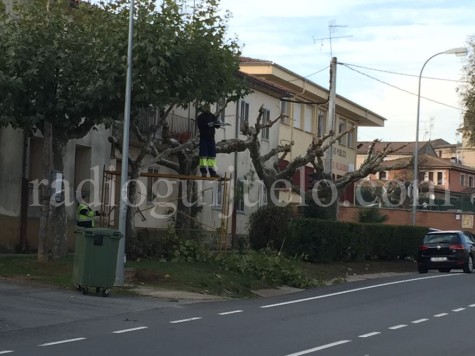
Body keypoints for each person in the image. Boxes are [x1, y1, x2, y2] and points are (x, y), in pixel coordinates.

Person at [196, 104, 222, 177]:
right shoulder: (201, 117)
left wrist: (218, 123)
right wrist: (207, 124)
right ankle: (203, 172)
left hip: (211, 138)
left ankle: (212, 172)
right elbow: (200, 126)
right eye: (206, 107)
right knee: (203, 155)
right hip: (204, 138)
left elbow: (217, 126)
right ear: (203, 108)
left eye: (209, 107)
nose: (208, 108)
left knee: (212, 155)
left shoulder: (212, 116)